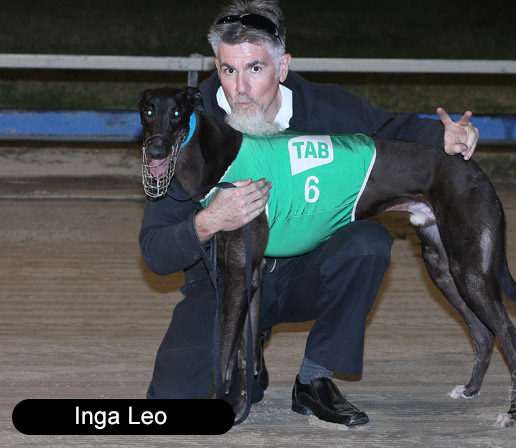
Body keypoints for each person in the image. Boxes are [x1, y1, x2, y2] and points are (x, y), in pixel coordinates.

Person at [139, 0, 478, 427]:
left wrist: (446, 134)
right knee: (174, 401)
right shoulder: (185, 121)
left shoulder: (324, 107)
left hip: (305, 270)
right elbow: (156, 252)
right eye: (228, 70)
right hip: (222, 284)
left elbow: (396, 130)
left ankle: (315, 379)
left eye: (255, 68)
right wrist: (209, 221)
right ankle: (249, 349)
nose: (240, 88)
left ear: (282, 67)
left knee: (367, 243)